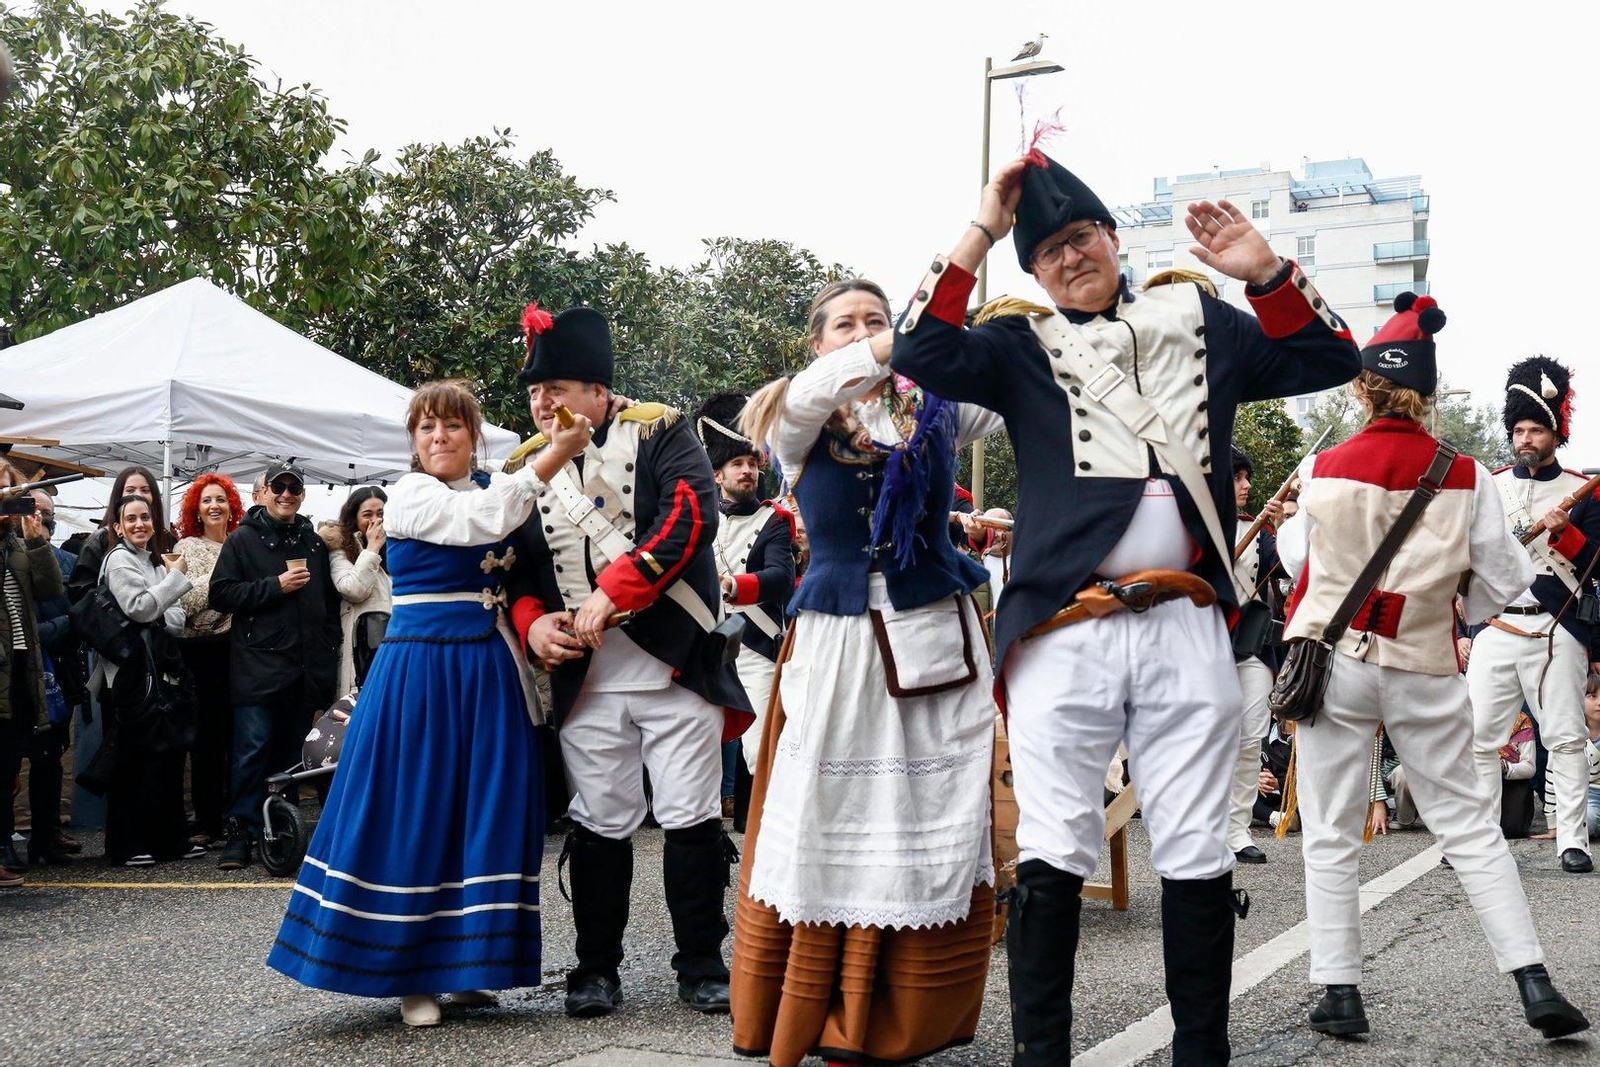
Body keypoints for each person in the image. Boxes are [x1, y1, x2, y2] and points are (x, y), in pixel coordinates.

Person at [890, 150, 1361, 1064]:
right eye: (1049, 253)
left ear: (1111, 237)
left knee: (1193, 841)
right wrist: (983, 223)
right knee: (1056, 841)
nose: (1069, 259)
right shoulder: (1019, 341)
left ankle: (1201, 1052)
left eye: (1081, 239)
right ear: (1032, 271)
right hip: (1065, 628)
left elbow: (1330, 355)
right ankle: (1042, 1055)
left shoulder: (1200, 317)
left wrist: (1265, 272)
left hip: (1186, 617)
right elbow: (918, 351)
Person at [1276, 293, 1589, 1041]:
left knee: (1330, 828)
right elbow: (1503, 580)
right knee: (1471, 827)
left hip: (1337, 660)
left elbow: (1295, 563)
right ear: (1428, 393)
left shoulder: (1324, 464)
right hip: (1422, 658)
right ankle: (1534, 978)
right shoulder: (1467, 474)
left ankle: (1341, 992)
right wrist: (1451, 602)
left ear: (1364, 388)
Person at [729, 279, 1000, 1066]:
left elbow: (1019, 394)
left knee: (919, 813)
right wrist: (899, 339)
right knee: (833, 810)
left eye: (875, 320)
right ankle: (822, 1010)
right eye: (843, 323)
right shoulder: (797, 408)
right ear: (817, 341)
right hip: (841, 639)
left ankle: (905, 1016)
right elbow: (825, 384)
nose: (862, 332)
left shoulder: (937, 407)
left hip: (935, 633)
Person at [268, 379, 587, 1027]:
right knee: (415, 809)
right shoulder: (408, 495)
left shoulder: (491, 486)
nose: (438, 437)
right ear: (414, 441)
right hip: (422, 668)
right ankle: (410, 974)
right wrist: (553, 456)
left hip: (490, 668)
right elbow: (486, 521)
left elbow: (509, 527)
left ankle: (468, 965)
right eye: (426, 428)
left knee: (485, 811)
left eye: (452, 426)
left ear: (473, 435)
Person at [503, 303, 752, 1020]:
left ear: (596, 390)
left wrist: (614, 591)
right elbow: (517, 570)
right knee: (600, 820)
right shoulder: (528, 464)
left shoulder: (662, 429)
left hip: (675, 658)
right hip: (588, 677)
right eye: (534, 394)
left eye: (555, 389)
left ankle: (702, 960)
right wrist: (533, 626)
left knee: (692, 815)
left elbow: (689, 516)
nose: (542, 404)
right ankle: (595, 966)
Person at [1466, 356, 1598, 874]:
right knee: (1478, 738)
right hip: (1497, 623)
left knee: (1565, 736)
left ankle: (1573, 840)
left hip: (1556, 625)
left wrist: (1565, 531)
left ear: (1554, 432)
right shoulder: (1490, 486)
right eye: (1519, 429)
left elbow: (1595, 564)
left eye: (1536, 429)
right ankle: (1479, 841)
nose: (1526, 438)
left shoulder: (1582, 489)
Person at [209, 461, 340, 871]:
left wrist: (327, 646)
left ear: (302, 495)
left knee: (290, 756)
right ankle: (240, 832)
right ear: (263, 492)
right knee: (251, 751)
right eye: (278, 487)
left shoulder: (313, 543)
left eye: (294, 488)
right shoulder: (241, 542)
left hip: (302, 669)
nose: (286, 494)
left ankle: (280, 829)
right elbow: (221, 594)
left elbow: (328, 605)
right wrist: (274, 587)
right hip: (258, 668)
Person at [691, 391, 795, 795]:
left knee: (763, 753)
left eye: (752, 463)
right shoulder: (701, 519)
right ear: (718, 473)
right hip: (706, 644)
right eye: (738, 463)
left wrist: (736, 585)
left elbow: (780, 578)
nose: (748, 471)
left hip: (755, 647)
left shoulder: (775, 521)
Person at [97, 494, 204, 867]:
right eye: (131, 519)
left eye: (145, 517)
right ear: (117, 526)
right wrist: (174, 582)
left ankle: (167, 841)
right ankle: (126, 845)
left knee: (163, 756)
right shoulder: (119, 560)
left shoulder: (153, 562)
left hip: (155, 670)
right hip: (129, 675)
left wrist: (159, 602)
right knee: (135, 760)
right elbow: (140, 608)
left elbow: (173, 617)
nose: (139, 524)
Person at [0, 460, 66, 885]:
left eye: (8, 487)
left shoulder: (15, 543)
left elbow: (49, 590)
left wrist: (38, 543)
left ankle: (4, 843)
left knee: (8, 762)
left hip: (20, 666)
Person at [173, 473, 243, 847]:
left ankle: (236, 819)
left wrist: (224, 594)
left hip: (239, 651)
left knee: (238, 736)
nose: (214, 505)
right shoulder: (187, 546)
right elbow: (187, 604)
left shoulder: (240, 544)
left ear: (232, 506)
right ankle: (207, 821)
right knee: (207, 741)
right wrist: (227, 584)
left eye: (220, 499)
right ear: (196, 510)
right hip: (200, 654)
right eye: (206, 500)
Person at [1229, 447, 1284, 864]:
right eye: (1237, 478)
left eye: (1246, 477)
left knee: (1250, 740)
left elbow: (1290, 568)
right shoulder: (1187, 526)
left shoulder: (1257, 530)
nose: (1246, 485)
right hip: (1198, 647)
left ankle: (1237, 830)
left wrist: (1282, 528)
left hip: (1248, 645)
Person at [29, 490, 86, 863]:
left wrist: (63, 626)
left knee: (50, 757)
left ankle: (46, 831)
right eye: (34, 510)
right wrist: (63, 624)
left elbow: (78, 614)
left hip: (59, 671)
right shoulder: (14, 560)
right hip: (27, 666)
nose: (42, 517)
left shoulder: (67, 561)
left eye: (48, 512)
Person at [322, 486, 392, 696]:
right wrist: (372, 549)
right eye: (367, 515)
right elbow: (352, 589)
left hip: (389, 644)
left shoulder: (393, 547)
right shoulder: (340, 546)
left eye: (380, 514)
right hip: (360, 649)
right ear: (354, 517)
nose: (375, 520)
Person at [67, 465, 171, 604]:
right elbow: (79, 593)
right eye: (130, 490)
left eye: (145, 490)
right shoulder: (101, 538)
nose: (138, 495)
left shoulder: (166, 538)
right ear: (119, 495)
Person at [1585, 674, 1600, 839]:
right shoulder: (1573, 736)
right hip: (1588, 798)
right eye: (1592, 696)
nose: (1599, 702)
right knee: (1586, 822)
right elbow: (1552, 775)